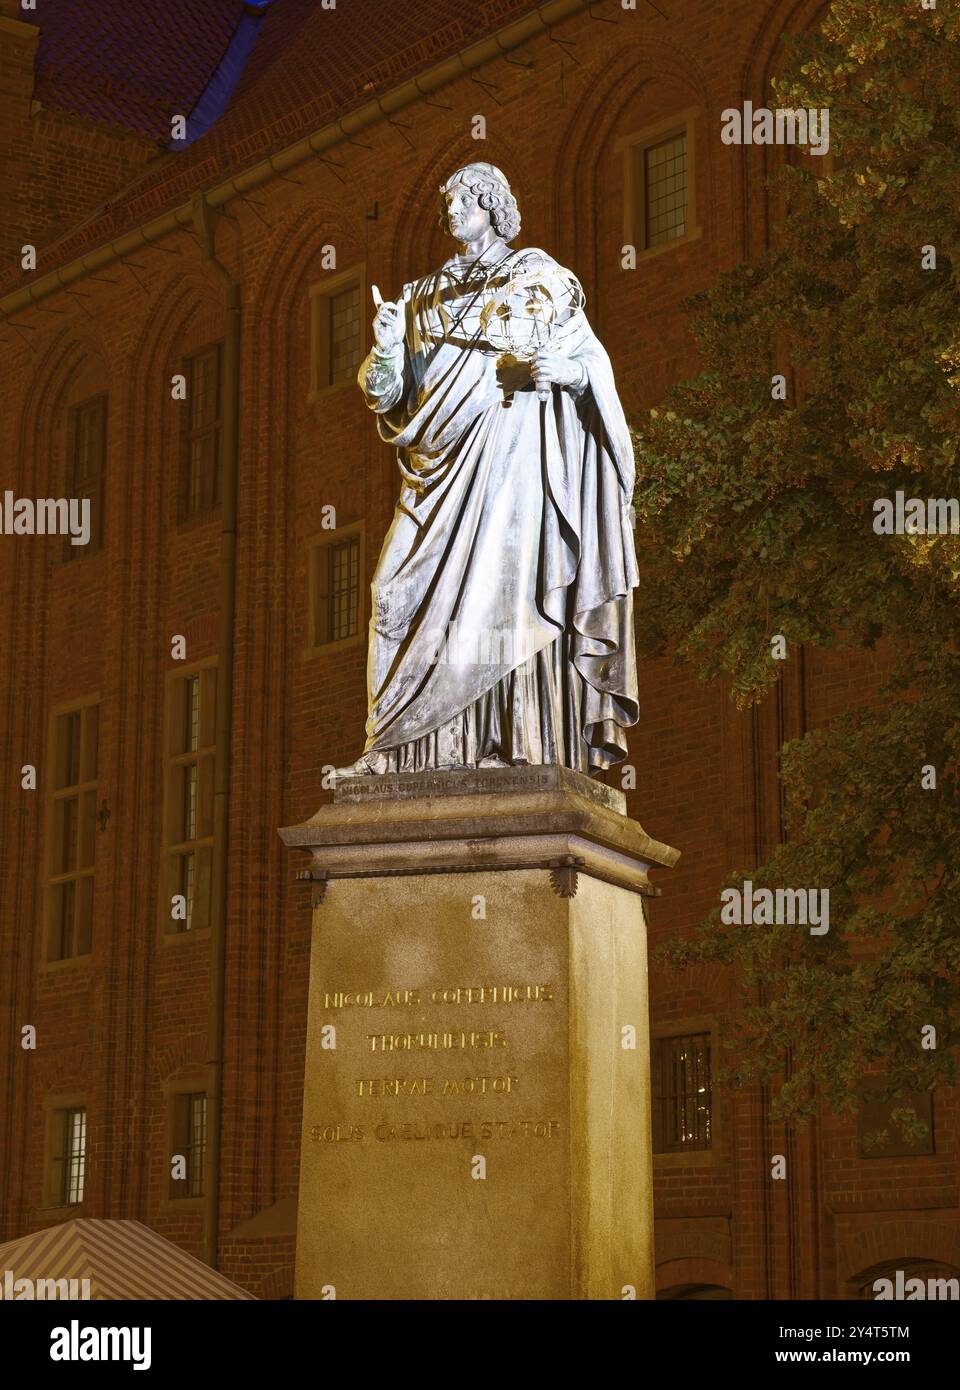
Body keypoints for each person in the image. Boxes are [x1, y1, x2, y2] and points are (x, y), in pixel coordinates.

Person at [342, 162, 639, 776]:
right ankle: (396, 747)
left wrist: (570, 373)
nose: (452, 211)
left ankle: (513, 743)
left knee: (504, 597)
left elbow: (591, 364)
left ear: (495, 206)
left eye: (466, 200)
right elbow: (386, 394)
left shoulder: (538, 278)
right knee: (390, 591)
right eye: (449, 203)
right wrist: (390, 345)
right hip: (436, 470)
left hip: (510, 467)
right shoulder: (422, 297)